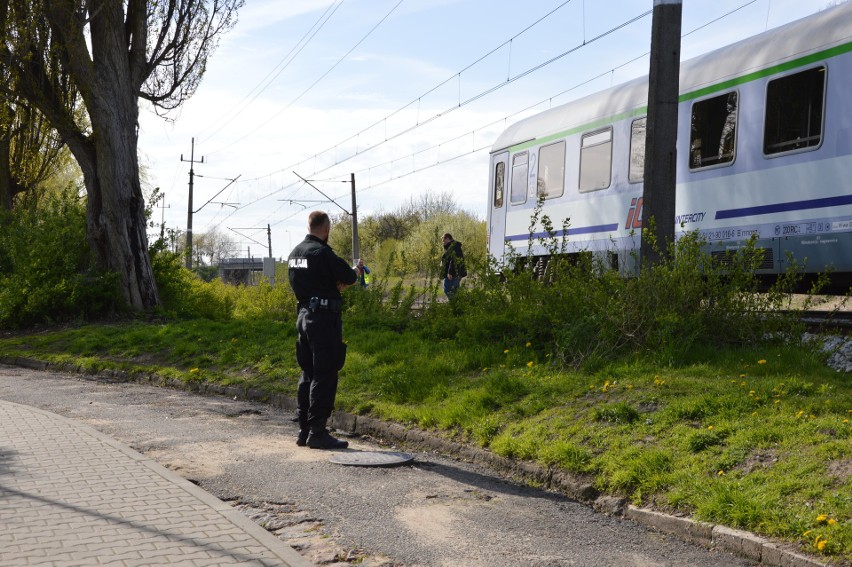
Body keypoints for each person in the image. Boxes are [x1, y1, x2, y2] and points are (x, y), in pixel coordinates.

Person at [288, 211, 357, 449]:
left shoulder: (295, 253)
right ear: (326, 229)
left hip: (303, 317)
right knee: (325, 373)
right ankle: (318, 432)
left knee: (307, 373)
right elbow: (349, 276)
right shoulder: (322, 253)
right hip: (324, 319)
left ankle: (304, 430)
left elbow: (305, 282)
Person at [440, 232, 466, 299]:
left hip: (452, 275)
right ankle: (456, 307)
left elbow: (454, 260)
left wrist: (450, 272)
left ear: (448, 239)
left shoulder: (454, 247)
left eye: (444, 240)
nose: (443, 243)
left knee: (448, 290)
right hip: (455, 274)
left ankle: (453, 305)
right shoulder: (454, 247)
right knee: (455, 292)